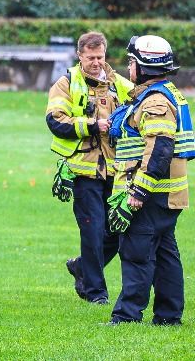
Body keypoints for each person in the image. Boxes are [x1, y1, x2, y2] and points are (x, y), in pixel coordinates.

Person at [44, 31, 134, 304]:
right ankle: (95, 293)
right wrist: (92, 125)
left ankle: (82, 267)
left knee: (118, 231)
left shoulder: (120, 84)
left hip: (116, 171)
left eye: (100, 57)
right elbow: (55, 120)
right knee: (93, 231)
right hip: (84, 170)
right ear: (80, 56)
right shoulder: (66, 83)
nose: (96, 62)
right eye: (90, 57)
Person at [106, 35, 190, 326]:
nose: (129, 68)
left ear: (143, 67)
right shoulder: (165, 94)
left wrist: (139, 190)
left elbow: (161, 147)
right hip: (166, 195)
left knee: (136, 254)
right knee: (166, 255)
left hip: (151, 194)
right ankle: (168, 316)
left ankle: (127, 316)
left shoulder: (155, 101)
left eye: (131, 62)